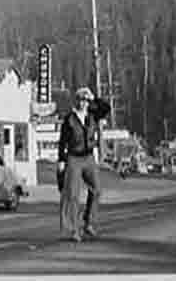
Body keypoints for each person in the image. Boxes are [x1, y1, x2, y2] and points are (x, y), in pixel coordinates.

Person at [57, 86, 111, 242]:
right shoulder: (69, 119)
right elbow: (62, 142)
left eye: (86, 100)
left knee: (97, 189)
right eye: (80, 100)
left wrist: (94, 98)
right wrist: (61, 161)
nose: (83, 103)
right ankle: (74, 230)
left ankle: (88, 222)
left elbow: (106, 107)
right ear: (77, 101)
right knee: (73, 195)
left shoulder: (92, 116)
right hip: (73, 158)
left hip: (88, 158)